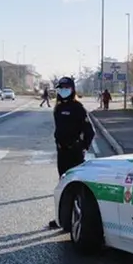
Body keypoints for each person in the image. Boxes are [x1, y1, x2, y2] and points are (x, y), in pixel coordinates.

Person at [48, 76, 95, 229]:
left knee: (75, 186)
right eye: (60, 88)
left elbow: (90, 131)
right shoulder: (58, 108)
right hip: (61, 152)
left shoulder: (78, 108)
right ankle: (62, 218)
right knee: (62, 184)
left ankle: (78, 217)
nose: (63, 90)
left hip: (74, 153)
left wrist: (83, 146)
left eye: (66, 87)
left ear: (72, 89)